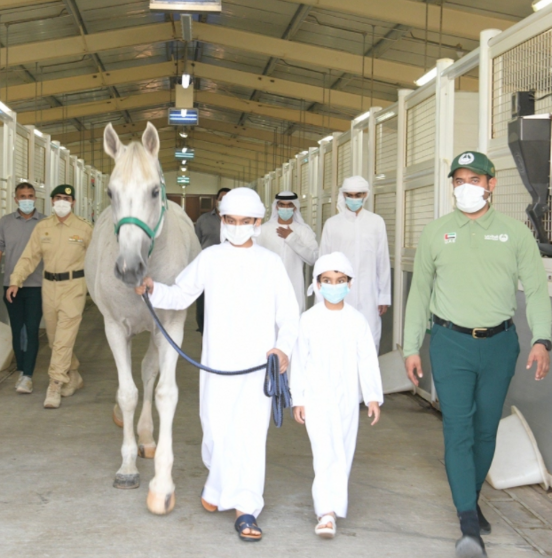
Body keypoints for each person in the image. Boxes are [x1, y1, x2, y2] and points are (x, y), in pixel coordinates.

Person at [403, 151, 552, 558]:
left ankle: (468, 497)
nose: (465, 187)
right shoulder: (436, 233)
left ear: (491, 184)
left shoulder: (515, 234)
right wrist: (412, 345)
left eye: (474, 179)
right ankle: (469, 522)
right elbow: (420, 295)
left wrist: (543, 339)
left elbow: (538, 290)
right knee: (457, 427)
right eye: (458, 180)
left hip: (500, 344)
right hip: (451, 343)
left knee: (486, 430)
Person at [135, 187, 299, 542]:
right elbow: (180, 293)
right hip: (217, 365)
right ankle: (216, 486)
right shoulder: (210, 259)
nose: (237, 226)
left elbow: (290, 315)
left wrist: (283, 349)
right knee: (215, 431)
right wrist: (152, 289)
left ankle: (246, 508)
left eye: (245, 221)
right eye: (231, 220)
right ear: (222, 221)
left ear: (257, 223)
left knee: (250, 437)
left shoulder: (270, 264)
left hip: (258, 367)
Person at [290, 251, 383, 539]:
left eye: (340, 280)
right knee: (324, 452)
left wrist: (372, 397)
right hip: (316, 398)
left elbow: (367, 359)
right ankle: (326, 512)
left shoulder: (357, 321)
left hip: (347, 399)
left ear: (349, 284)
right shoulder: (307, 319)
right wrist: (299, 398)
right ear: (317, 284)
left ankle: (333, 506)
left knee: (343, 451)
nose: (334, 285)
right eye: (327, 280)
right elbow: (299, 361)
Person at [7, 185, 93, 409]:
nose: (62, 202)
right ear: (52, 201)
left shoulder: (84, 228)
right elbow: (29, 257)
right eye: (58, 198)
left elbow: (97, 260)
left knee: (64, 337)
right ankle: (73, 374)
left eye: (66, 198)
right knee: (56, 339)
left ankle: (55, 383)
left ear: (73, 202)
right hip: (48, 286)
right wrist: (16, 280)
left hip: (74, 286)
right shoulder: (43, 227)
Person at [319, 176, 391, 351]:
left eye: (358, 194)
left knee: (368, 341)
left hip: (369, 294)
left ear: (365, 195)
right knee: (339, 343)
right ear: (343, 196)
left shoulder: (376, 222)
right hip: (339, 294)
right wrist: (321, 298)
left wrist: (384, 296)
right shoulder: (332, 224)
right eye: (349, 195)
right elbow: (322, 262)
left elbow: (382, 260)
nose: (353, 199)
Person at [0, 182, 45, 394]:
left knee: (32, 329)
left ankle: (27, 375)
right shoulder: (5, 222)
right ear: (15, 199)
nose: (27, 199)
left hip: (37, 285)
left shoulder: (45, 222)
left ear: (35, 198)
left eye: (30, 195)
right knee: (18, 330)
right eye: (22, 196)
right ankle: (22, 370)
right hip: (11, 286)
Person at [257, 191, 318, 311]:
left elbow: (313, 258)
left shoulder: (303, 231)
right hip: (268, 287)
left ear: (295, 207)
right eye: (282, 205)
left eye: (289, 205)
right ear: (276, 206)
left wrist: (292, 238)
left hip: (294, 286)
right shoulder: (263, 230)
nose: (285, 208)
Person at [194, 187, 231, 333]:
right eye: (221, 198)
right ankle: (203, 330)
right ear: (216, 200)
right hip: (207, 268)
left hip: (229, 268)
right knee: (203, 304)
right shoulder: (203, 220)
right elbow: (196, 243)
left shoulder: (236, 221)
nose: (223, 201)